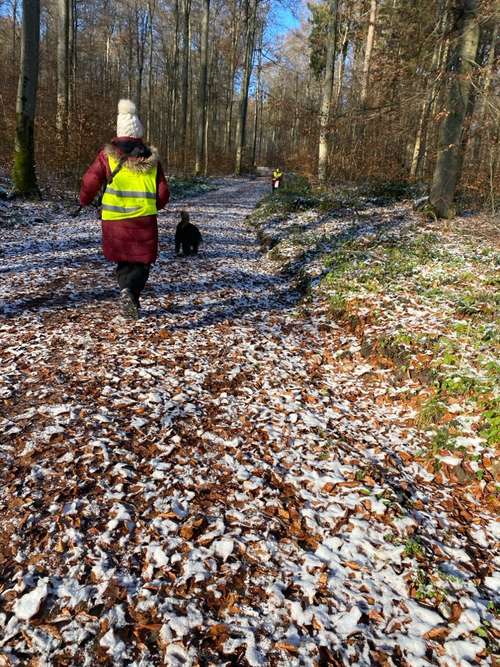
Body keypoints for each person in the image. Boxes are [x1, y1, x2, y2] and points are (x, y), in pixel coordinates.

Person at [79, 99, 169, 319]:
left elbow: (91, 180)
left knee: (124, 258)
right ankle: (131, 293)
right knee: (141, 261)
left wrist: (83, 199)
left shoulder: (106, 156)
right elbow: (164, 192)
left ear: (118, 133)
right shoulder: (151, 159)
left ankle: (126, 292)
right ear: (139, 133)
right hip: (143, 219)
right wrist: (154, 205)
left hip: (114, 220)